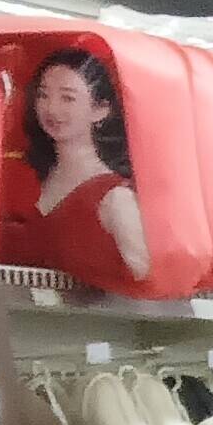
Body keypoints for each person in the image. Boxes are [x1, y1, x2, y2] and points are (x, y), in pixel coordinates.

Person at [23, 47, 148, 283]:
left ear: (100, 110)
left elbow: (144, 282)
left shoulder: (115, 198)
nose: (51, 109)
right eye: (43, 95)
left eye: (67, 98)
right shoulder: (26, 176)